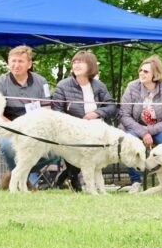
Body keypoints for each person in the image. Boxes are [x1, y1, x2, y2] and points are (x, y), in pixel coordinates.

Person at [51, 51, 118, 192]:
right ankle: (72, 177)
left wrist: (96, 113)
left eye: (80, 62)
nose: (76, 65)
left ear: (90, 66)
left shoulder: (99, 86)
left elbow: (112, 107)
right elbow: (57, 112)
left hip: (96, 130)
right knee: (78, 149)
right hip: (72, 130)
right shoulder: (63, 85)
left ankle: (67, 177)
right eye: (74, 62)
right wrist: (75, 125)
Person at [0, 45, 56, 189]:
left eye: (20, 61)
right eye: (13, 61)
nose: (16, 65)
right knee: (8, 147)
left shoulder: (41, 81)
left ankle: (16, 174)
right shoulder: (0, 82)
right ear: (8, 63)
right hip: (9, 127)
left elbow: (47, 110)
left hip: (36, 129)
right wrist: (17, 129)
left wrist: (34, 130)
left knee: (55, 152)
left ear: (29, 64)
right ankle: (22, 179)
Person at [119, 55, 162, 194]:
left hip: (159, 128)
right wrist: (143, 132)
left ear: (155, 74)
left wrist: (150, 130)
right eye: (140, 70)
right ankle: (136, 182)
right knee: (128, 141)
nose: (141, 73)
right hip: (135, 127)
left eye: (146, 71)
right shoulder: (132, 87)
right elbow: (124, 115)